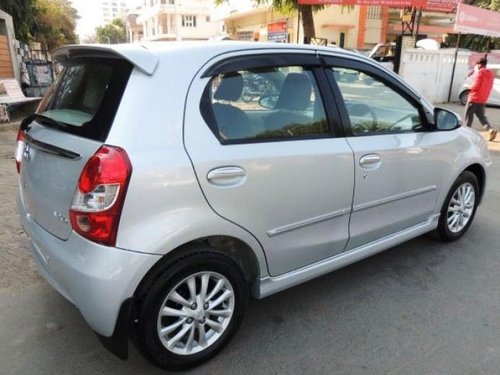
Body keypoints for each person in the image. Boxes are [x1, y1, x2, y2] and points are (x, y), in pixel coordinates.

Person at [464, 57, 497, 141]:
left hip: (474, 98)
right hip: (483, 99)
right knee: (482, 117)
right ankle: (490, 130)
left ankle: (466, 135)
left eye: (477, 65)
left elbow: (475, 86)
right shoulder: (491, 74)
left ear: (479, 64)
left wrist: (468, 86)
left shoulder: (480, 73)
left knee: (468, 117)